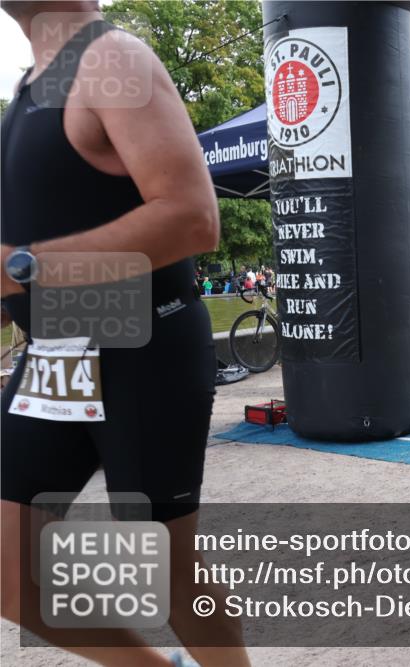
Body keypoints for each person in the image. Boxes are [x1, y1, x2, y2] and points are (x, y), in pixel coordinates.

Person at [0, 4, 250, 666]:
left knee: (171, 577)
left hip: (143, 346)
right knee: (5, 568)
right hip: (56, 352)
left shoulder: (111, 60)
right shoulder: (30, 87)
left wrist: (24, 266)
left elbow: (193, 218)